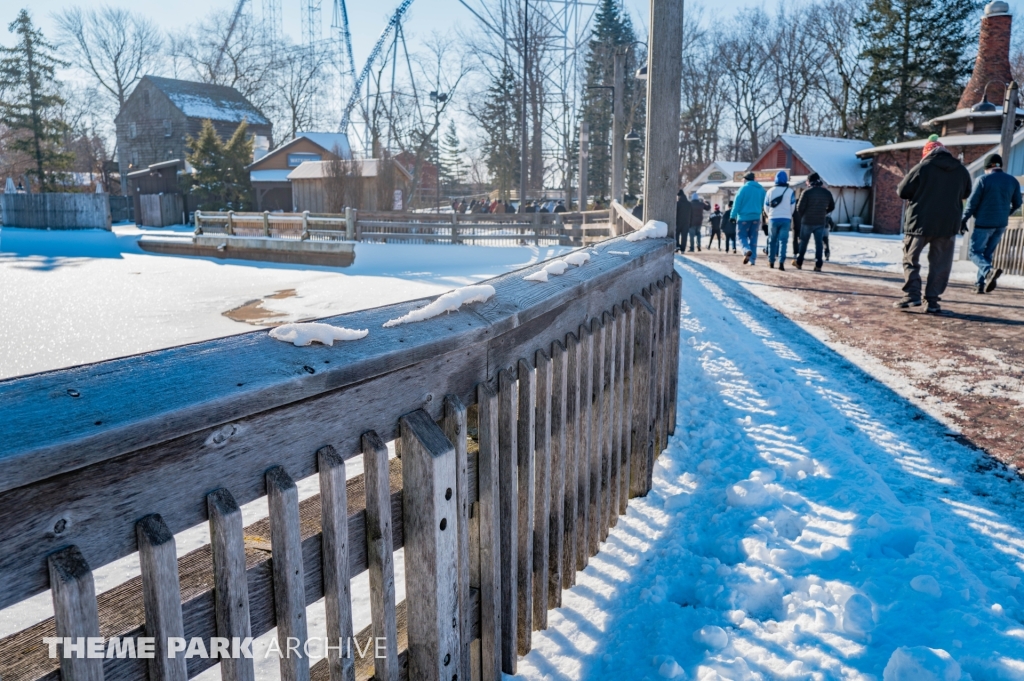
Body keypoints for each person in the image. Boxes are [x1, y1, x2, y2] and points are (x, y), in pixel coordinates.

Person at [894, 134, 972, 313]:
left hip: (919, 222)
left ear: (927, 153)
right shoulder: (961, 170)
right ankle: (932, 301)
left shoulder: (923, 167)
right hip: (947, 225)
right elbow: (966, 192)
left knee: (910, 259)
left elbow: (902, 191)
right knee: (940, 264)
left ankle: (912, 295)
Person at [962, 153, 1021, 294]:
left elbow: (972, 203)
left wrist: (963, 219)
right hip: (1000, 224)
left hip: (984, 223)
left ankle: (988, 272)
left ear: (988, 167)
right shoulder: (1012, 181)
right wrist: (1005, 213)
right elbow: (1018, 203)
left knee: (974, 252)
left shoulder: (982, 179)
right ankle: (980, 284)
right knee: (987, 254)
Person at [795, 172, 835, 271]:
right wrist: (824, 212)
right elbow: (832, 206)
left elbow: (799, 208)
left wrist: (804, 215)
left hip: (807, 222)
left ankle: (799, 263)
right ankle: (818, 265)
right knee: (819, 243)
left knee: (803, 242)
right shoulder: (827, 193)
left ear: (810, 181)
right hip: (820, 222)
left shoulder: (806, 192)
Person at [764, 171, 796, 270]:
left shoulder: (770, 191)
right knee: (783, 241)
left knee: (772, 240)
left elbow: (766, 206)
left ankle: (771, 261)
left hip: (773, 218)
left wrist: (769, 215)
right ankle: (781, 262)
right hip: (786, 219)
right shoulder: (790, 192)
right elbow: (793, 206)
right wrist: (788, 215)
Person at [731, 173, 766, 264]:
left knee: (741, 236)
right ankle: (752, 260)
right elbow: (765, 204)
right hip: (756, 218)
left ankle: (746, 250)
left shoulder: (743, 189)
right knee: (753, 238)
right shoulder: (761, 189)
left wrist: (732, 216)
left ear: (745, 179)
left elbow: (737, 203)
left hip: (743, 218)